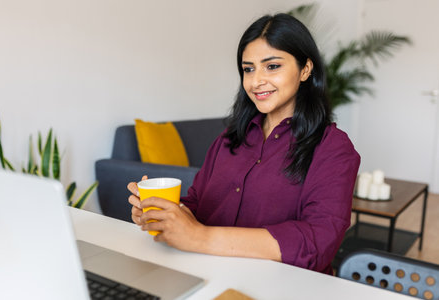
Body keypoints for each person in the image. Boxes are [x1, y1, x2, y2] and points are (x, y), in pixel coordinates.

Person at [127, 13, 360, 274]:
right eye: (248, 69)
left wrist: (200, 237)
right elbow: (197, 204)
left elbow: (318, 242)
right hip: (208, 275)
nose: (256, 81)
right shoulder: (228, 139)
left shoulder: (333, 148)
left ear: (305, 69)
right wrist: (164, 213)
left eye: (272, 66)